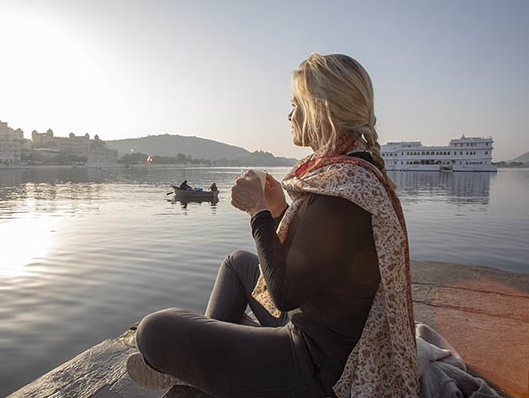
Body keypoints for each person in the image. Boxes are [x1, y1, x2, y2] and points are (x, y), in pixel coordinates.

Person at [126, 54, 418, 397]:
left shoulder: (341, 194)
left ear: (320, 110)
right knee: (237, 264)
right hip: (315, 331)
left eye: (296, 104)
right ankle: (207, 374)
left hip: (314, 366)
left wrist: (258, 211)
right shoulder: (348, 176)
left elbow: (284, 295)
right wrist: (280, 211)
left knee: (154, 330)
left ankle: (201, 375)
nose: (290, 114)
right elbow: (315, 267)